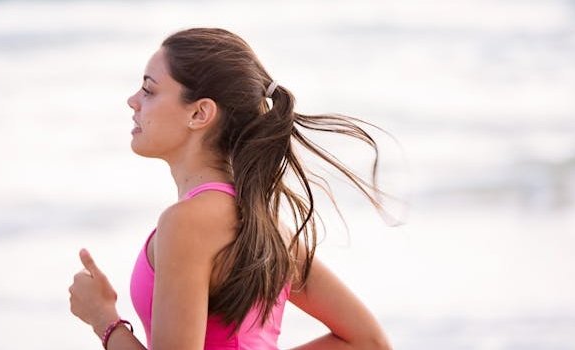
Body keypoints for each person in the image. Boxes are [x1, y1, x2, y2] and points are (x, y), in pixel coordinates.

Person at [68, 27, 393, 350]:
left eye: (149, 90)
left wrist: (104, 319)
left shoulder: (187, 222)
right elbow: (368, 340)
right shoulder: (262, 221)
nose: (133, 101)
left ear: (199, 113)